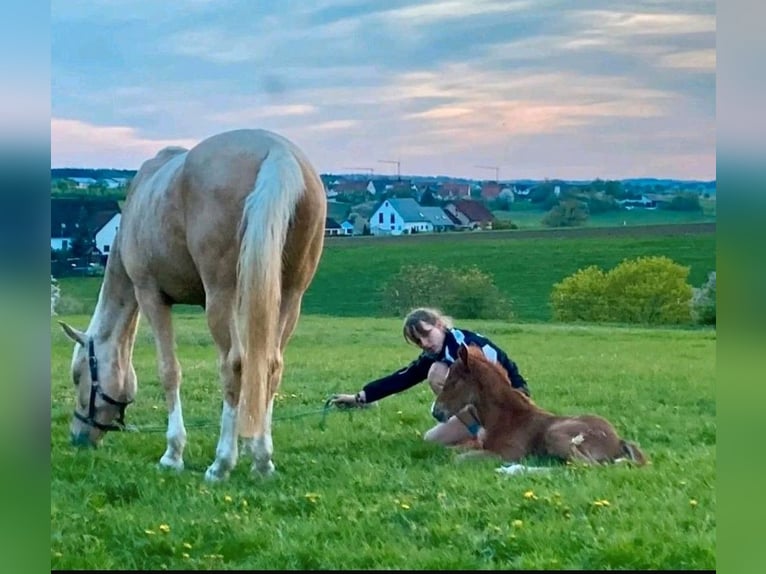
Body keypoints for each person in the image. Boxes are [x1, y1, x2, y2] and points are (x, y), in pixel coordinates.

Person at [330, 307, 530, 447]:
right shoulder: (437, 352)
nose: (424, 343)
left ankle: (487, 435)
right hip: (480, 408)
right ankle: (475, 432)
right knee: (431, 440)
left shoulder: (467, 347)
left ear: (440, 325)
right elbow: (402, 378)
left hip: (509, 404)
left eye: (426, 334)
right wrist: (360, 397)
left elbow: (505, 385)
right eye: (418, 341)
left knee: (437, 372)